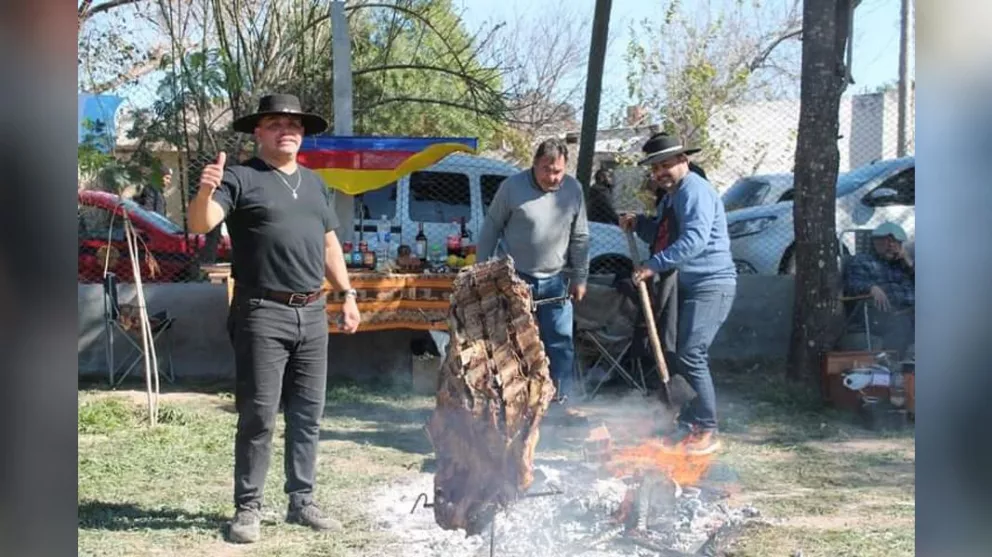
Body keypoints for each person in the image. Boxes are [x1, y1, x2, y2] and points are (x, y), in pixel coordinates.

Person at [187, 93, 361, 544]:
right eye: (276, 123)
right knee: (259, 415)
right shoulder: (241, 178)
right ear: (258, 132)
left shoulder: (315, 183)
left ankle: (302, 501)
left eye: (295, 124)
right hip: (261, 312)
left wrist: (347, 293)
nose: (288, 130)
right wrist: (207, 188)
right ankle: (248, 508)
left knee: (308, 415)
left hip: (313, 314)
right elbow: (201, 223)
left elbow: (329, 246)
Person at [619, 132, 737, 456]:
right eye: (655, 168)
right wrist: (639, 223)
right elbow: (664, 233)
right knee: (676, 353)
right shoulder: (672, 196)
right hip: (686, 284)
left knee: (691, 354)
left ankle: (707, 428)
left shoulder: (694, 191)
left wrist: (652, 266)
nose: (659, 173)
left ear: (684, 161)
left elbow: (694, 241)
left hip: (711, 284)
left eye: (665, 165)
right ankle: (688, 424)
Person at [477, 138, 590, 402]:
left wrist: (580, 277)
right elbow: (491, 228)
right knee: (510, 343)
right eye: (547, 170)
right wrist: (481, 271)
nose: (552, 177)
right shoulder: (511, 187)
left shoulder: (574, 190)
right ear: (534, 165)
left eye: (558, 171)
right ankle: (511, 400)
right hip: (514, 279)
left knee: (560, 343)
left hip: (555, 281)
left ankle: (561, 401)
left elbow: (581, 236)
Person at [842, 221, 915, 356]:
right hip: (879, 314)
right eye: (885, 241)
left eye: (895, 242)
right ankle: (893, 364)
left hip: (911, 310)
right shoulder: (862, 261)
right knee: (901, 323)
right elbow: (852, 284)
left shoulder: (904, 264)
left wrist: (909, 263)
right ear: (875, 242)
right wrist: (871, 287)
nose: (890, 245)